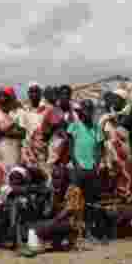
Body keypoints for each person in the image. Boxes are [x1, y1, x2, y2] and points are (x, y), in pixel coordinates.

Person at [68, 99, 106, 243]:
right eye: (85, 110)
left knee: (90, 202)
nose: (87, 113)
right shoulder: (74, 127)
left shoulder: (97, 129)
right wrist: (76, 164)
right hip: (78, 169)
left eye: (90, 110)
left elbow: (100, 149)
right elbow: (70, 147)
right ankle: (75, 232)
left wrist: (96, 166)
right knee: (75, 200)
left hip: (92, 170)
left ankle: (89, 231)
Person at [33, 166, 86, 252]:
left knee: (43, 227)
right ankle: (56, 243)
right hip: (60, 223)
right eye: (53, 178)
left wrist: (46, 225)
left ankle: (69, 242)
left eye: (57, 178)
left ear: (65, 179)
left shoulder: (74, 190)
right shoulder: (56, 192)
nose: (54, 181)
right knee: (38, 225)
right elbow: (48, 212)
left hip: (72, 225)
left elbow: (66, 213)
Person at [11, 82, 44, 148]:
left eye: (36, 91)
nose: (34, 94)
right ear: (28, 93)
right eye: (31, 92)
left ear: (40, 93)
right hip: (26, 149)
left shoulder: (46, 109)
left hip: (42, 147)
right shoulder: (23, 110)